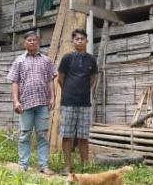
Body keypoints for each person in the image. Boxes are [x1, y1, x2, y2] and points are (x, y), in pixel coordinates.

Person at [7, 31, 55, 175]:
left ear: (38, 42)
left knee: (42, 135)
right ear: (24, 43)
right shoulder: (19, 61)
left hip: (42, 103)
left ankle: (43, 166)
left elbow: (51, 80)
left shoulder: (46, 60)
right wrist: (15, 101)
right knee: (24, 135)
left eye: (34, 40)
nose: (32, 42)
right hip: (25, 104)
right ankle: (23, 165)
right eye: (29, 40)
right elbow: (15, 82)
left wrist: (53, 98)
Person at [57, 28, 98, 175]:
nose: (80, 41)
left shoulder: (91, 59)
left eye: (82, 38)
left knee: (83, 136)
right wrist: (69, 91)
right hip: (68, 102)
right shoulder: (67, 58)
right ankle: (67, 166)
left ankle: (85, 166)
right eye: (77, 39)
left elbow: (92, 79)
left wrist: (84, 91)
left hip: (85, 103)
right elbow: (61, 79)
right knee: (67, 135)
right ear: (73, 41)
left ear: (86, 41)